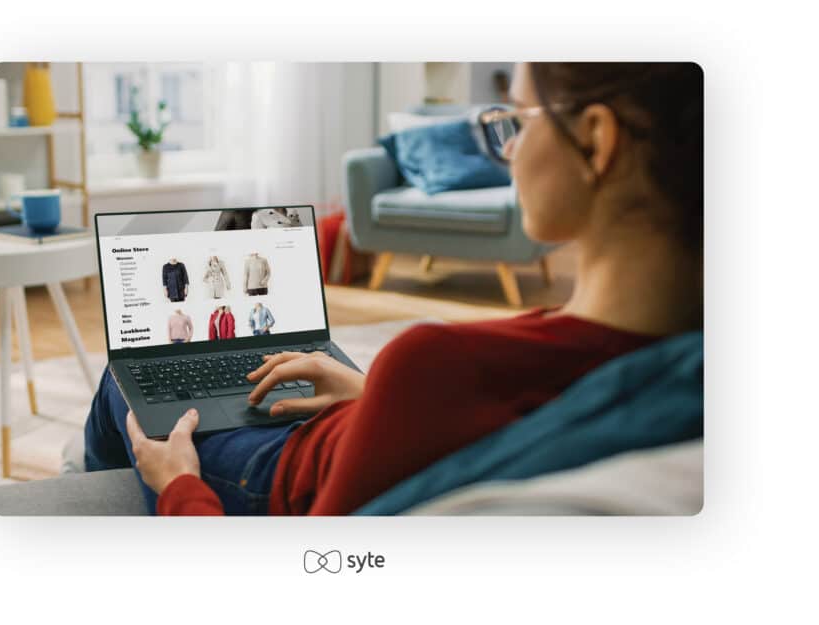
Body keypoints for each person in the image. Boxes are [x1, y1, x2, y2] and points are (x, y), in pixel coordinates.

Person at [83, 62, 703, 515]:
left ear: (595, 139)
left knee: (125, 377)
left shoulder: (437, 362)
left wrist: (178, 486)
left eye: (516, 118)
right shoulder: (682, 359)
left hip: (273, 479)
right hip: (353, 430)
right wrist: (370, 395)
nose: (509, 148)